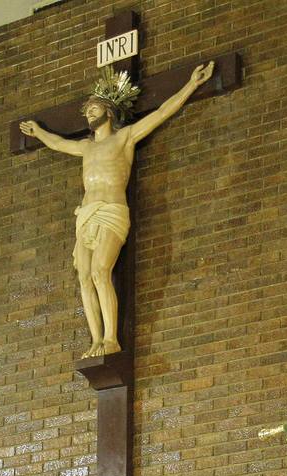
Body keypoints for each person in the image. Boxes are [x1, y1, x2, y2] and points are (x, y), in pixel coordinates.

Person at [19, 62, 214, 358]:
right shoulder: (86, 147)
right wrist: (39, 132)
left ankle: (111, 339)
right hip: (85, 214)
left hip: (111, 210)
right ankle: (96, 340)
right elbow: (58, 144)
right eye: (86, 111)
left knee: (100, 270)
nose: (88, 113)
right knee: (84, 274)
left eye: (94, 108)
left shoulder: (125, 138)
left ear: (109, 111)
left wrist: (191, 84)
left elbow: (162, 113)